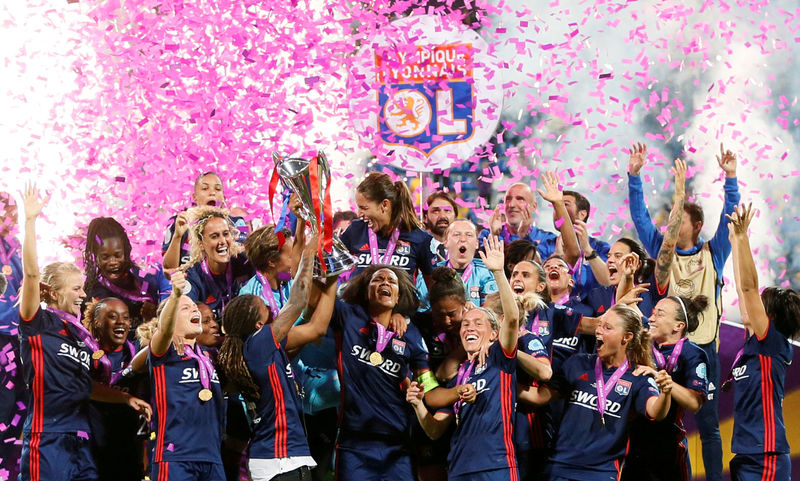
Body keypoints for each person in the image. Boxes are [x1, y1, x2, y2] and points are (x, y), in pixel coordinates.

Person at [18, 184, 151, 481]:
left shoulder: (81, 336)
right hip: (47, 436)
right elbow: (31, 274)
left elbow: (86, 387)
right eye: (76, 289)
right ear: (52, 292)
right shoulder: (37, 322)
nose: (83, 295)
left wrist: (125, 399)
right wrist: (29, 222)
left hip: (82, 438)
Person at [628, 143, 740, 480]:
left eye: (680, 221)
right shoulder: (663, 253)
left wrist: (730, 178)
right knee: (661, 423)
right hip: (660, 351)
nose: (670, 228)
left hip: (703, 348)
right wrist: (634, 176)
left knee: (708, 426)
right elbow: (640, 218)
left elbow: (731, 220)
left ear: (697, 224)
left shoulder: (713, 252)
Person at [217, 235, 335, 481]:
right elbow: (297, 301)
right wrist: (308, 255)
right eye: (264, 306)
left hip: (284, 457)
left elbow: (316, 327)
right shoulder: (258, 345)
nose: (272, 309)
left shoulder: (264, 350)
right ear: (258, 323)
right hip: (279, 459)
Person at [406, 235, 524, 481]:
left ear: (494, 333)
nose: (467, 327)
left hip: (497, 467)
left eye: (476, 322)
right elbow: (436, 429)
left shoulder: (499, 359)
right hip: (459, 470)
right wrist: (418, 404)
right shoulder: (459, 375)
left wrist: (498, 273)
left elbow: (511, 319)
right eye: (466, 325)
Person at [305, 261, 437, 480]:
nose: (384, 282)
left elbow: (429, 386)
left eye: (391, 281)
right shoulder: (348, 315)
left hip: (398, 444)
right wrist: (317, 259)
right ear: (365, 292)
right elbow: (312, 296)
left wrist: (452, 391)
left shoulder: (411, 334)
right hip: (354, 443)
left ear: (398, 296)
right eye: (377, 279)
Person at [521, 304, 672, 481]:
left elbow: (656, 412)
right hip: (560, 466)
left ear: (627, 337)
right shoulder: (577, 363)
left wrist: (666, 393)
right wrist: (504, 384)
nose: (598, 331)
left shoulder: (639, 376)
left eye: (607, 328)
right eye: (600, 325)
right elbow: (540, 396)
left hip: (601, 472)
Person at [727, 204, 799, 481]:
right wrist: (735, 241)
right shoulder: (756, 343)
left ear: (769, 315)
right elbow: (742, 291)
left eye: (759, 304)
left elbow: (748, 287)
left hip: (765, 456)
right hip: (746, 452)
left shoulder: (773, 343)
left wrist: (744, 238)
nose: (750, 307)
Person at [621, 295, 710, 481]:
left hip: (668, 447)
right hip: (634, 443)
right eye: (653, 313)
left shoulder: (692, 354)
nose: (652, 318)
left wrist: (659, 377)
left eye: (659, 314)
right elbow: (629, 313)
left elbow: (695, 403)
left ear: (678, 326)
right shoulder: (644, 343)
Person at [148, 269, 226, 481]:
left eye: (194, 307)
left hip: (212, 458)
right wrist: (174, 295)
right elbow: (164, 330)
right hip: (176, 457)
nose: (195, 310)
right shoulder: (164, 352)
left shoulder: (209, 358)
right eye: (186, 308)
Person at [84, 298, 148, 481]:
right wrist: (123, 397)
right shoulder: (85, 352)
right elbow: (83, 387)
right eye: (112, 317)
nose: (121, 322)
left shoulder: (138, 352)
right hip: (91, 449)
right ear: (97, 322)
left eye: (126, 317)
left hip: (130, 447)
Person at [340, 172, 435, 282]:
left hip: (401, 300)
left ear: (384, 205)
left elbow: (434, 289)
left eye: (364, 208)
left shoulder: (419, 237)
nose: (359, 214)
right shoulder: (355, 230)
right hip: (359, 299)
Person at [83, 216, 170, 332]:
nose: (113, 262)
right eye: (105, 257)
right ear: (95, 255)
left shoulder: (145, 279)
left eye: (118, 255)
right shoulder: (92, 292)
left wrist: (152, 318)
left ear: (126, 251)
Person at [162, 171, 249, 270]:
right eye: (205, 188)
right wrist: (177, 236)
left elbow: (245, 258)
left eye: (218, 189)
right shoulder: (178, 222)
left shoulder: (238, 223)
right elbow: (169, 268)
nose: (212, 193)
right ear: (194, 197)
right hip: (189, 284)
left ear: (224, 198)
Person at [182, 207, 255, 320]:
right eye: (214, 236)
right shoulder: (193, 276)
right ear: (201, 243)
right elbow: (186, 319)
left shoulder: (245, 262)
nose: (222, 241)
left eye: (226, 234)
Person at [539, 190, 611, 299]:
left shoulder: (601, 248)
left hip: (593, 311)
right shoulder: (545, 246)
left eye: (564, 205)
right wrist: (557, 255)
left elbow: (608, 280)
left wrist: (587, 250)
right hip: (555, 309)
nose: (559, 209)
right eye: (556, 206)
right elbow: (538, 281)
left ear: (582, 214)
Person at [417, 219, 498, 309]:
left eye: (469, 235)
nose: (463, 239)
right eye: (456, 234)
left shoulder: (487, 273)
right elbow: (421, 310)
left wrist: (475, 312)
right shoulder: (431, 274)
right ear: (446, 242)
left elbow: (493, 313)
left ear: (476, 244)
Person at [0, 191, 25, 481]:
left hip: (17, 340)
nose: (8, 216)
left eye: (10, 211)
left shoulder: (16, 246)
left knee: (15, 409)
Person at [479, 182, 556, 248]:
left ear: (534, 206)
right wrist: (494, 236)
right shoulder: (487, 235)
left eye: (520, 199)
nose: (511, 205)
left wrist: (524, 237)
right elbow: (482, 262)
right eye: (508, 199)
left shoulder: (547, 239)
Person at [424, 191, 459, 263]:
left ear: (455, 216)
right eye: (436, 211)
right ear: (425, 217)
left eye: (447, 210)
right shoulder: (418, 248)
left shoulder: (465, 247)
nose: (442, 216)